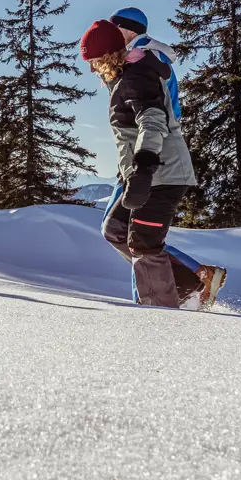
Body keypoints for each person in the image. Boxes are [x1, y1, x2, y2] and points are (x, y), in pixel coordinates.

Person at [80, 17, 227, 309]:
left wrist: (144, 168)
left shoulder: (135, 76)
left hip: (162, 172)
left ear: (109, 55)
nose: (92, 68)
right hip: (143, 171)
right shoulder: (127, 75)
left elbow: (153, 119)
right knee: (115, 230)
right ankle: (189, 285)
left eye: (95, 61)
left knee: (144, 243)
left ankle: (159, 315)